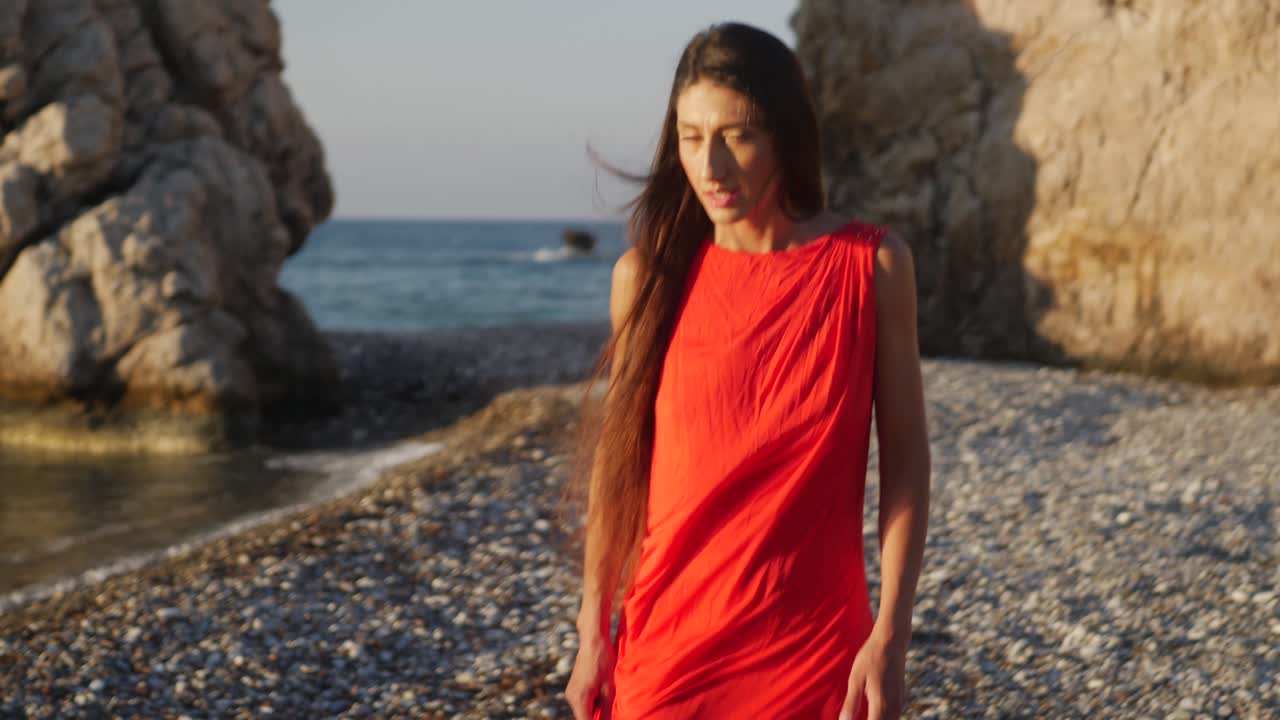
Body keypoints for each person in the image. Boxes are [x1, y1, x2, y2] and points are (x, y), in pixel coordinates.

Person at [561, 21, 931, 720]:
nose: (712, 166)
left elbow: (907, 463)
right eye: (692, 136)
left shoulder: (872, 267)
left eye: (738, 134)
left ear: (786, 135)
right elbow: (618, 465)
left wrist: (891, 634)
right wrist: (592, 633)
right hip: (667, 649)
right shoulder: (649, 278)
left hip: (813, 653)